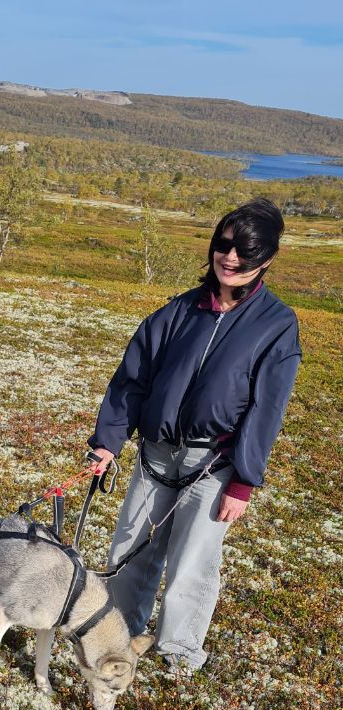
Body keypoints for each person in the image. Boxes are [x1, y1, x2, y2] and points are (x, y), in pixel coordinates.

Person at [88, 198, 301, 673]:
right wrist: (108, 440)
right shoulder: (180, 310)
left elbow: (267, 409)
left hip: (214, 468)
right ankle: (117, 638)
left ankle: (178, 656)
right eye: (223, 245)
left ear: (266, 259)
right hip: (155, 458)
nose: (230, 258)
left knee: (192, 564)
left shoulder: (277, 325)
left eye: (245, 251)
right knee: (128, 553)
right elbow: (133, 378)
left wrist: (243, 482)